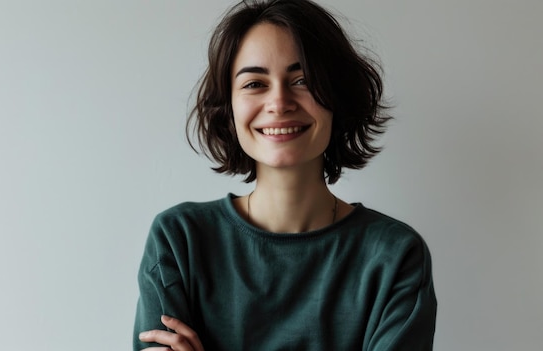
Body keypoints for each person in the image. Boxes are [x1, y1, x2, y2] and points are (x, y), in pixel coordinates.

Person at [133, 0, 437, 350]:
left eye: (302, 80)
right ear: (227, 109)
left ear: (336, 98)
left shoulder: (394, 254)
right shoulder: (178, 239)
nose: (279, 102)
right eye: (254, 84)